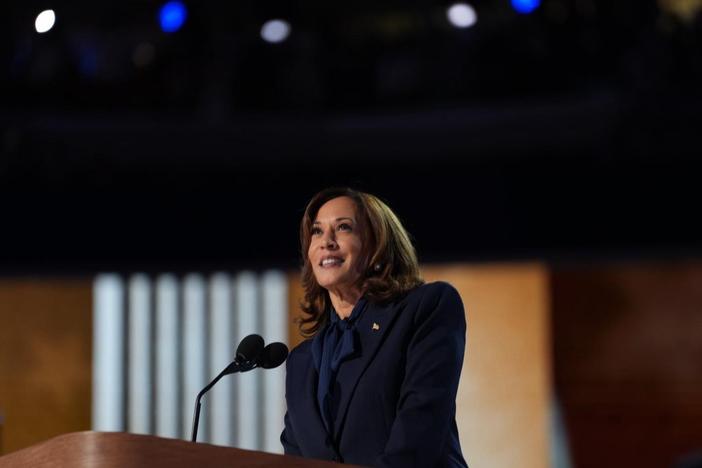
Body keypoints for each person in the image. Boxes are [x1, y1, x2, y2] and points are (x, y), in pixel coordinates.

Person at [281, 187, 468, 467]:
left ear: (377, 244)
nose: (326, 242)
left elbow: (419, 429)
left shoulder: (426, 308)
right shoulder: (301, 361)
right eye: (317, 232)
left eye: (343, 228)